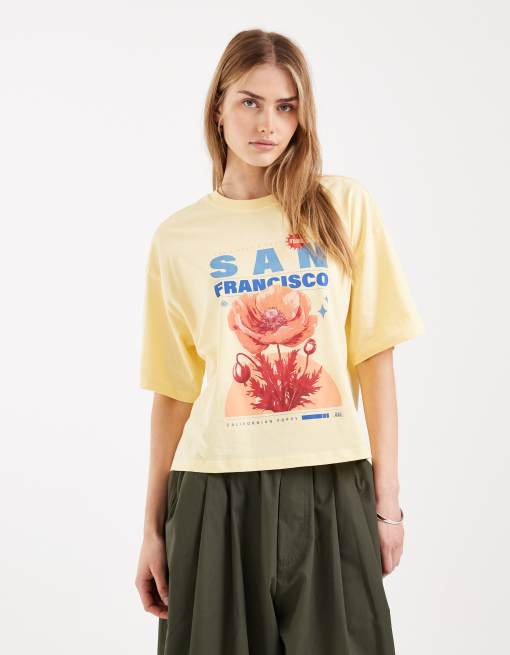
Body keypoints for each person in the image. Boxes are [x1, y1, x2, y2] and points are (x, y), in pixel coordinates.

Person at [134, 28, 425, 655]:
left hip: (331, 483)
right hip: (215, 490)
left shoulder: (342, 208)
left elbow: (375, 359)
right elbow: (174, 394)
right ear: (218, 107)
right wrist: (152, 529)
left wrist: (388, 504)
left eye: (286, 106)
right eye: (250, 102)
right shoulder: (177, 238)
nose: (268, 123)